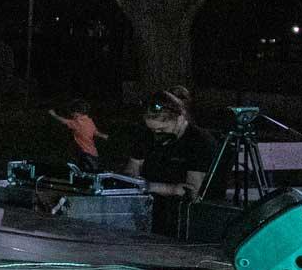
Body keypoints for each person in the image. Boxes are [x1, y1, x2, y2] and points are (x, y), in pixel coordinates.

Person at [122, 90, 217, 233]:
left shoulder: (200, 141)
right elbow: (132, 167)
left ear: (179, 118)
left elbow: (191, 191)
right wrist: (131, 179)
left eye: (162, 129)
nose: (157, 134)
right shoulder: (146, 135)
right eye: (153, 130)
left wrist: (148, 186)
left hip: (182, 217)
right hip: (148, 209)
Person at [49, 99, 107, 173]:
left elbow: (63, 121)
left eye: (72, 113)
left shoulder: (77, 123)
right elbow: (94, 131)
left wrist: (54, 115)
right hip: (93, 153)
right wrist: (103, 136)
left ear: (77, 113)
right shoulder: (89, 120)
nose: (71, 115)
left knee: (88, 173)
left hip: (86, 154)